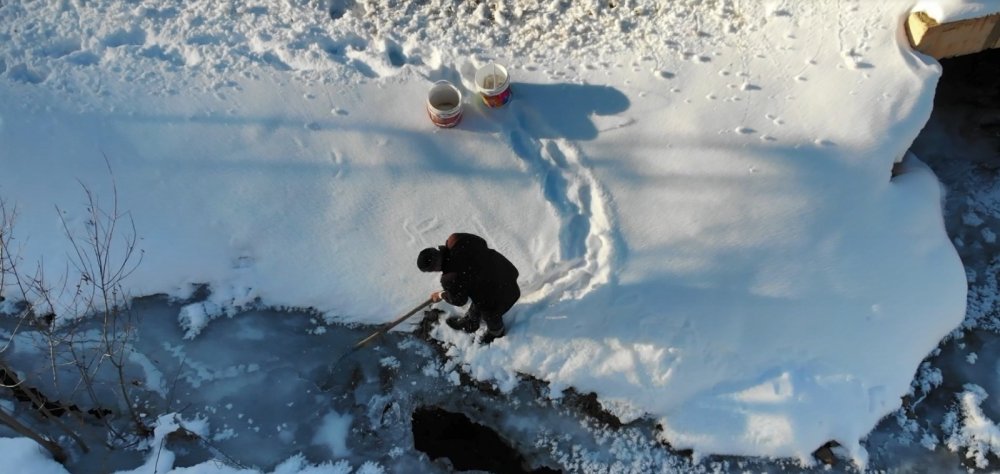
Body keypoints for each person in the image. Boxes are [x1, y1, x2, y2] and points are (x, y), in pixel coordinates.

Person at [417, 233, 520, 344]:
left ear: (433, 269)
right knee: (477, 292)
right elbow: (481, 242)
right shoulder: (457, 240)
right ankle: (471, 322)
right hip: (505, 271)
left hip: (502, 294)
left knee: (489, 311)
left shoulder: (449, 278)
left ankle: (496, 333)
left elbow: (459, 300)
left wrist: (441, 294)